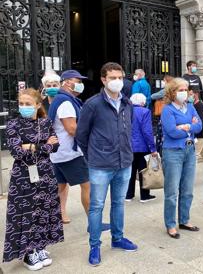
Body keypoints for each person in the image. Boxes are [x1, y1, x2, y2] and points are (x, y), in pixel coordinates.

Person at [76, 62, 137, 266]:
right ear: (103, 79)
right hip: (100, 165)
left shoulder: (127, 103)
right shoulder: (92, 104)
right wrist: (92, 156)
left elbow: (129, 130)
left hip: (124, 162)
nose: (117, 81)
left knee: (119, 203)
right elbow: (81, 135)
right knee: (97, 206)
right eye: (113, 78)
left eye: (120, 77)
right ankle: (95, 246)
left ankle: (118, 239)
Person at [3, 88, 63, 271]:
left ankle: (40, 247)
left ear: (38, 105)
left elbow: (56, 146)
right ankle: (28, 252)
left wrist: (31, 146)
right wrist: (43, 146)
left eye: (28, 104)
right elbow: (16, 152)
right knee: (26, 212)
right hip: (23, 175)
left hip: (45, 173)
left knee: (44, 210)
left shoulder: (45, 122)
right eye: (21, 104)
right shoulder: (13, 124)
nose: (24, 107)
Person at [161, 78, 202, 239]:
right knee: (171, 191)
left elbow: (199, 126)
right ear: (172, 92)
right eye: (181, 90)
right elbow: (172, 131)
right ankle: (170, 224)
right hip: (173, 152)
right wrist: (189, 127)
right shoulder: (168, 110)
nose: (185, 92)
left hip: (190, 150)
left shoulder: (190, 107)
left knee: (187, 189)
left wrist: (185, 127)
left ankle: (184, 220)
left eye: (186, 89)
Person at [48, 70, 90, 224]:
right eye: (77, 81)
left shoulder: (59, 99)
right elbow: (72, 129)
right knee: (88, 185)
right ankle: (94, 222)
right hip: (69, 154)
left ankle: (49, 218)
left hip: (58, 153)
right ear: (66, 82)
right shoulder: (66, 102)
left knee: (59, 187)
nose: (80, 84)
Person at [126, 93, 158, 202]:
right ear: (143, 102)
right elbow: (147, 131)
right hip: (142, 146)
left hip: (129, 146)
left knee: (130, 171)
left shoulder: (126, 111)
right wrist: (153, 148)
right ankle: (144, 196)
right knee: (143, 171)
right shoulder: (145, 111)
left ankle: (128, 195)